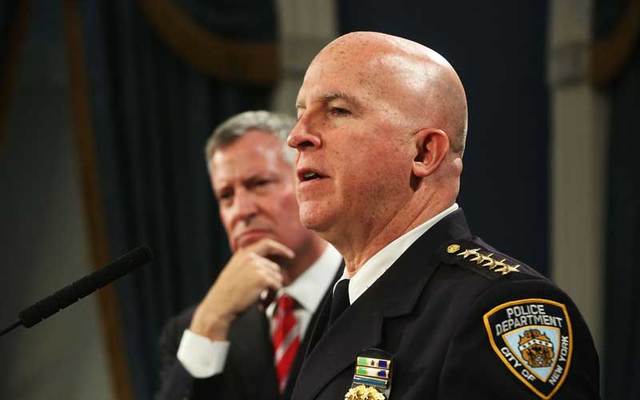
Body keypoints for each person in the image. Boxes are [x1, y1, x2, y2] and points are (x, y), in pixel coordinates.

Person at [286, 32, 600, 399]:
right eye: (301, 113)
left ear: (423, 153)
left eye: (337, 110)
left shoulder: (503, 313)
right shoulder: (341, 302)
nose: (297, 135)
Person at [156, 111, 342, 400]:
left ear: (309, 180)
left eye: (259, 184)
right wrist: (211, 320)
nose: (241, 211)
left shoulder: (373, 289)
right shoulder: (193, 329)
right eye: (226, 195)